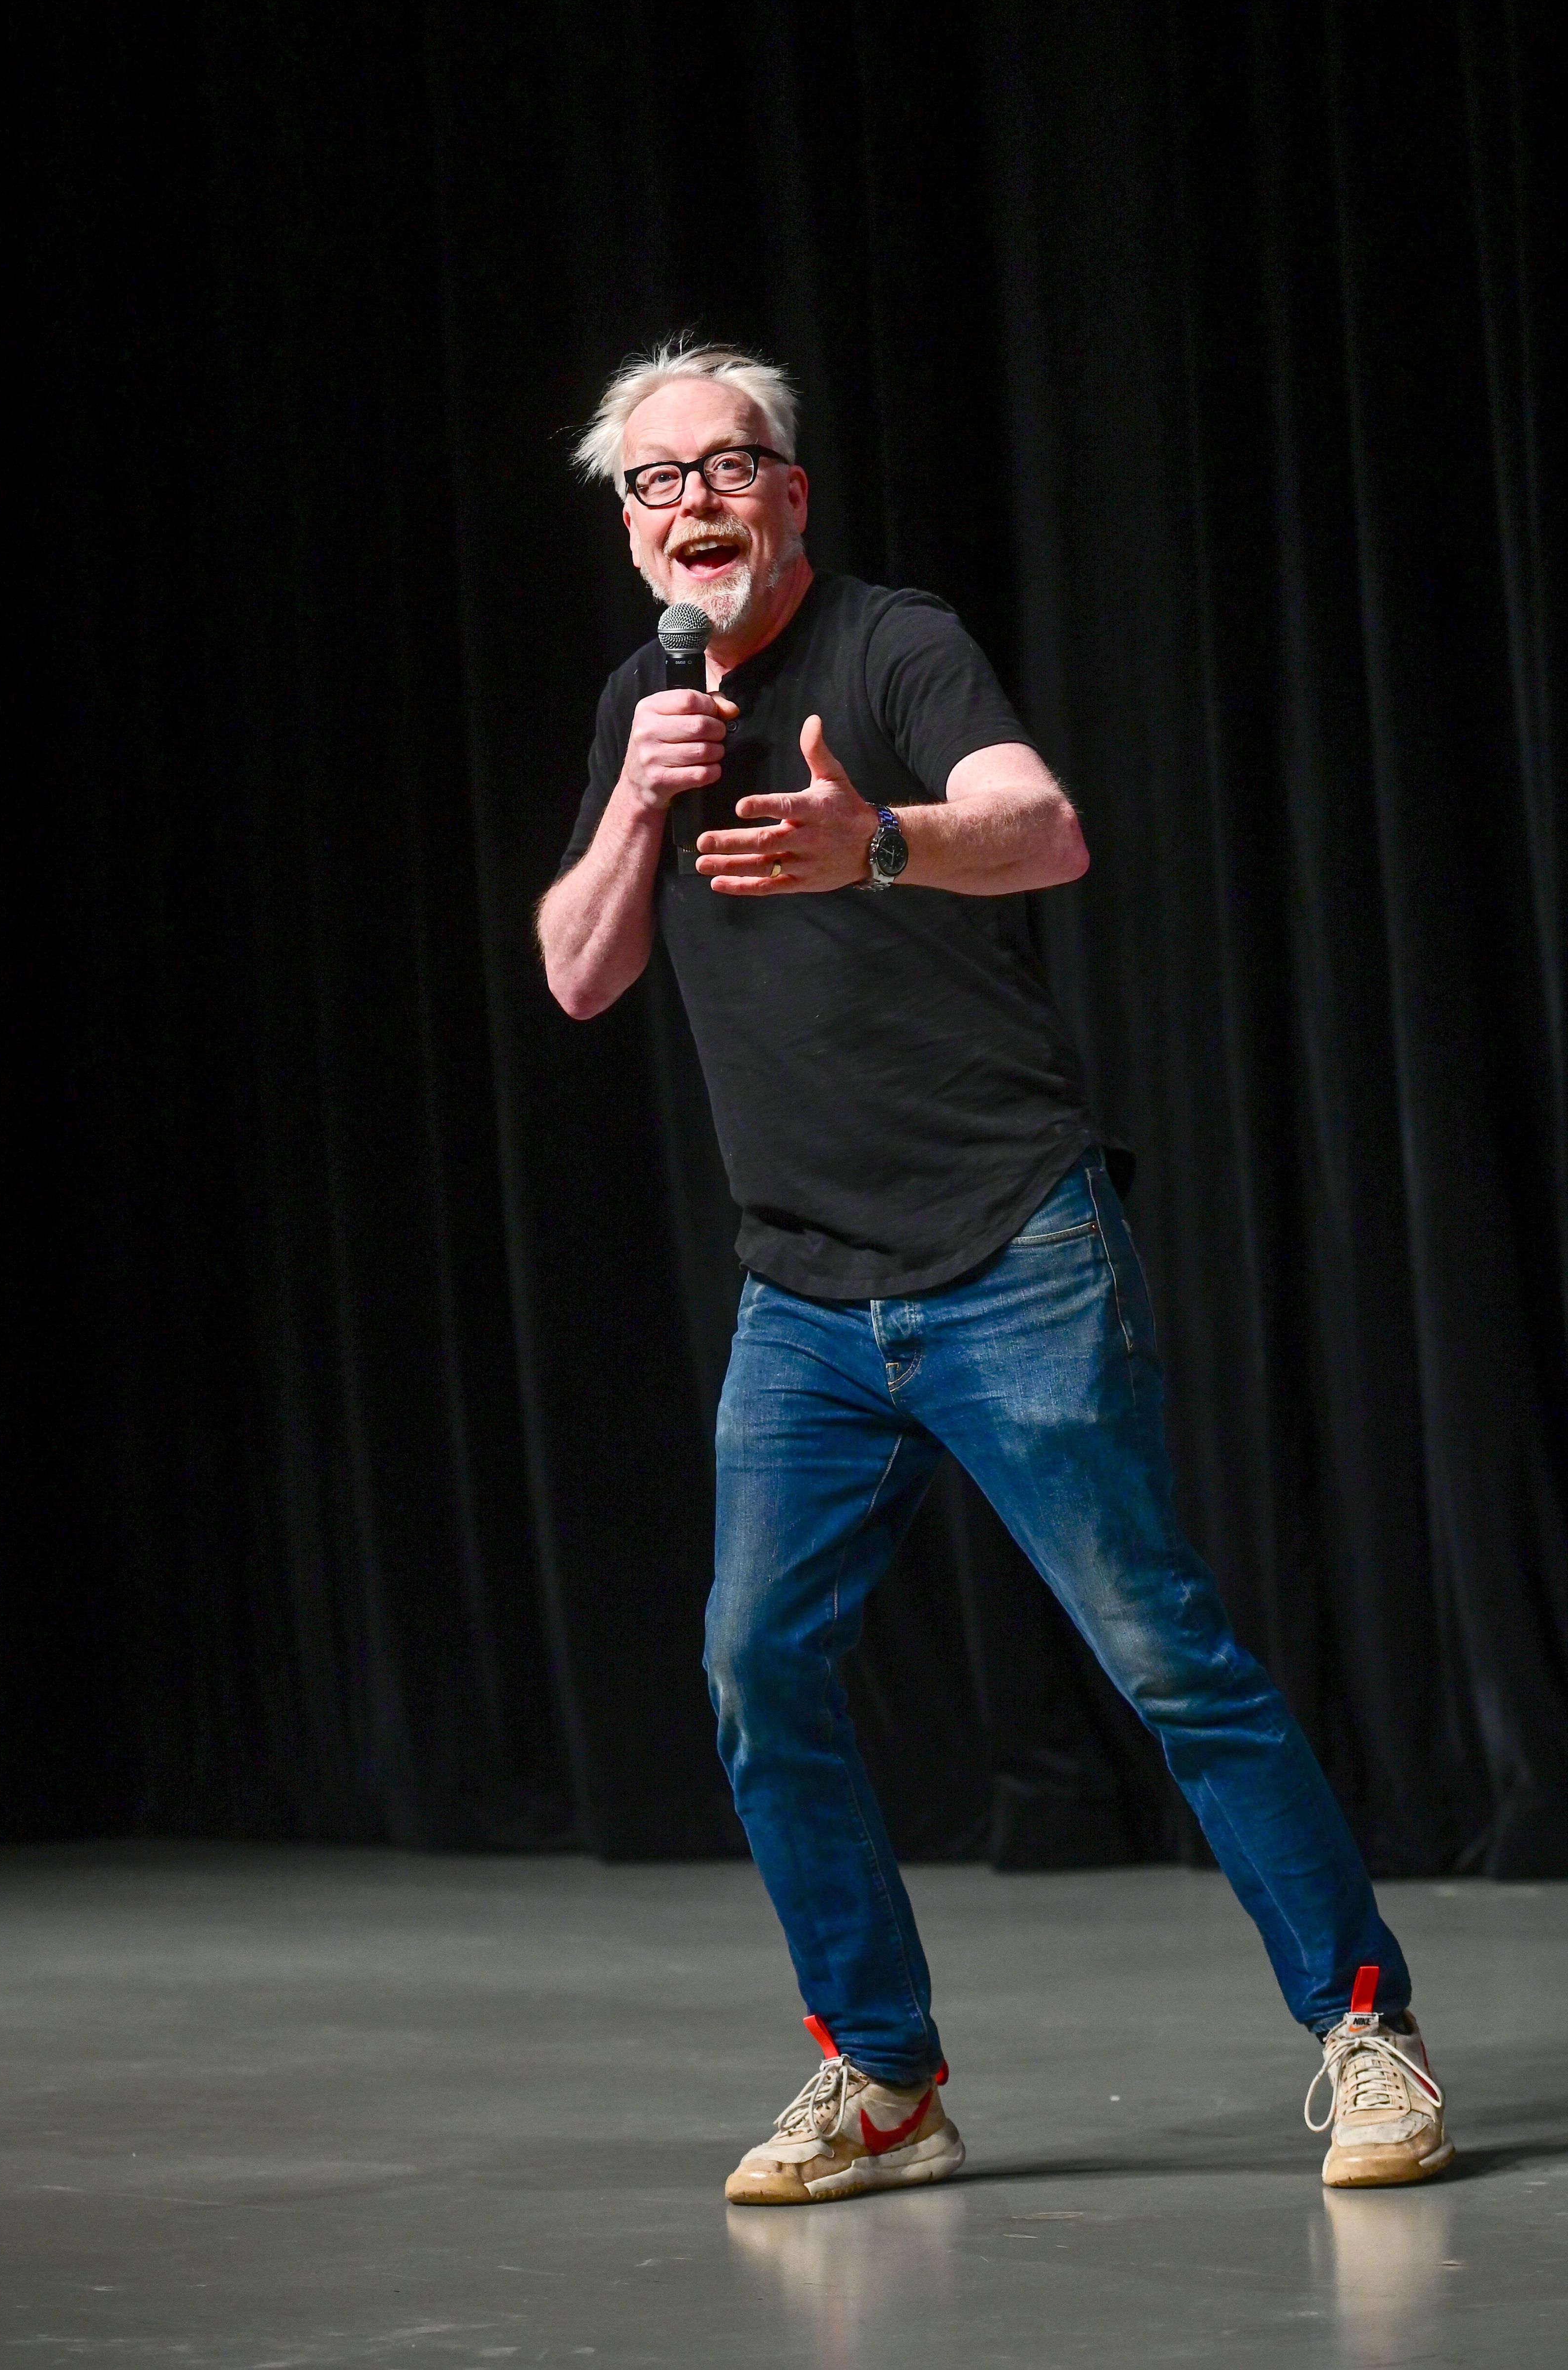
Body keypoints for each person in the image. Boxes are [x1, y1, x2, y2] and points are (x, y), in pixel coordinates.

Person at [535, 340, 1453, 2205]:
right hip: (803, 1297)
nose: (690, 500)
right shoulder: (648, 699)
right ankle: (884, 2080)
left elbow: (1046, 827)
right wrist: (640, 802)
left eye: (726, 466)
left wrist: (868, 838)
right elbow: (574, 972)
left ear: (791, 491)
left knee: (1162, 1656)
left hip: (1007, 1250)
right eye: (653, 481)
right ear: (631, 527)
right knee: (752, 1668)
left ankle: (1369, 2033)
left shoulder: (894, 646)